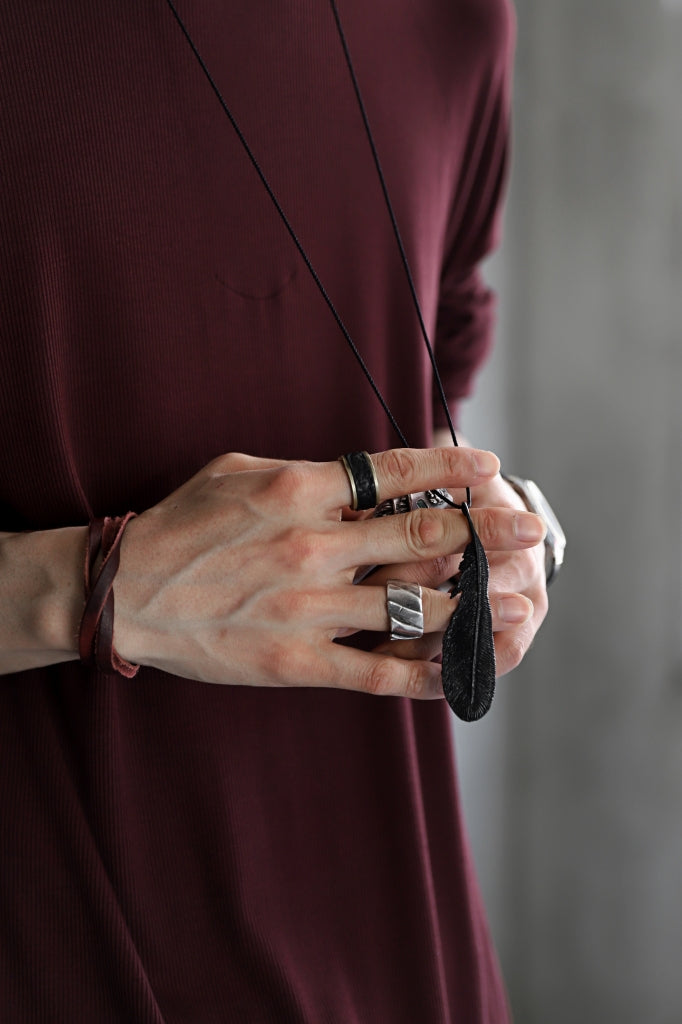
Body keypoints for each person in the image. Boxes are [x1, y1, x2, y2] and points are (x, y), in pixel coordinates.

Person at [0, 0, 549, 1020]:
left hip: (404, 961)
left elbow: (429, 384)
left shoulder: (456, 21)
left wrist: (513, 537)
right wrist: (87, 587)